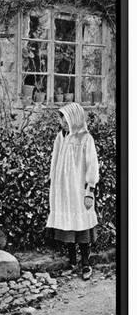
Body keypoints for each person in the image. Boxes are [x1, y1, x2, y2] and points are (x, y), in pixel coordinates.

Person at [46, 102, 99, 280]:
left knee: (82, 226)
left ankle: (85, 264)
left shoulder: (85, 138)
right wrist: (53, 181)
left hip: (78, 189)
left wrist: (89, 190)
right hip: (63, 188)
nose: (62, 122)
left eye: (65, 118)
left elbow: (92, 166)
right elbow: (55, 161)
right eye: (61, 118)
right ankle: (72, 262)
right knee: (67, 225)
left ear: (74, 118)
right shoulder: (60, 137)